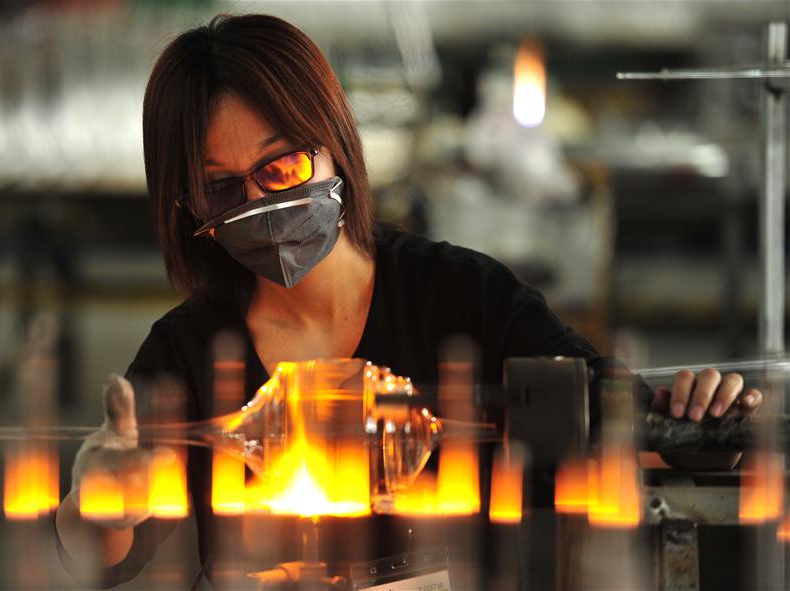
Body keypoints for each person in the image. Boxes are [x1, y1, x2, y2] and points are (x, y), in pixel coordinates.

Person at [54, 13, 763, 588]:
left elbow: (625, 433)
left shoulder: (465, 301)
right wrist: (98, 504)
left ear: (332, 145)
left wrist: (701, 429)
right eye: (221, 189)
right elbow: (103, 555)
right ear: (190, 209)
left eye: (282, 166)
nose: (262, 202)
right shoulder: (188, 352)